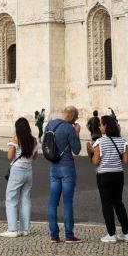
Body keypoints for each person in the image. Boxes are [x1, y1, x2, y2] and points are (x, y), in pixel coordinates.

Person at [87, 115, 128, 243]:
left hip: (104, 175)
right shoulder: (123, 141)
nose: (99, 126)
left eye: (101, 124)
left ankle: (111, 234)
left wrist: (90, 154)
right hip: (118, 174)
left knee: (107, 205)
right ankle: (126, 233)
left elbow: (95, 162)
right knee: (119, 203)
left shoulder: (99, 142)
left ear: (106, 126)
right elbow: (125, 161)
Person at [46, 105, 83, 244]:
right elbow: (77, 150)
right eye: (76, 117)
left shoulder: (49, 125)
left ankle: (54, 235)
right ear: (72, 116)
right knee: (67, 202)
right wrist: (77, 132)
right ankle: (69, 235)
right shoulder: (69, 128)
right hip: (67, 168)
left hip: (53, 168)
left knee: (52, 202)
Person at [0, 116, 39, 238]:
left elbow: (9, 156)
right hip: (29, 171)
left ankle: (12, 229)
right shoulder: (33, 140)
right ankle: (25, 229)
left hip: (17, 171)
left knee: (11, 200)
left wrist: (13, 144)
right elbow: (35, 156)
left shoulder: (16, 139)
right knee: (25, 200)